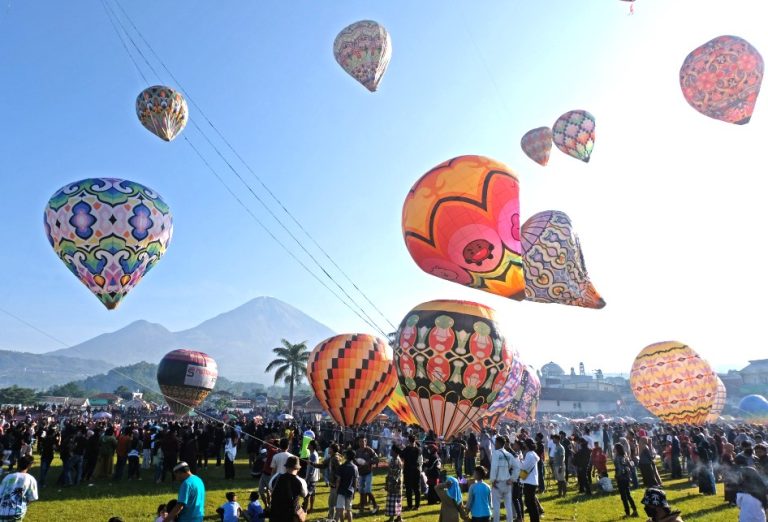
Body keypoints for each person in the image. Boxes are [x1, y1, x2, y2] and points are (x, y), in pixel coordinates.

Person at [270, 456, 308, 521]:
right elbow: (304, 494)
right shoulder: (301, 481)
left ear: (286, 467)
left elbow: (270, 487)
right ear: (298, 469)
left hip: (275, 514)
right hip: (290, 516)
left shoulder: (276, 477)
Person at [0, 455, 37, 521]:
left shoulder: (7, 477)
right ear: (29, 465)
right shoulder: (30, 479)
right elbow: (33, 498)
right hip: (17, 512)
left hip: (2, 512)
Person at [734, 454, 768, 522]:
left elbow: (739, 504)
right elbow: (766, 506)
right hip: (760, 519)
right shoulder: (762, 492)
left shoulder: (741, 491)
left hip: (745, 519)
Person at [490, 436, 514, 522]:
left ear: (498, 443)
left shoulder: (495, 453)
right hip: (507, 482)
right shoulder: (508, 454)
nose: (495, 444)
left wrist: (493, 480)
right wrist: (512, 479)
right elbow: (516, 467)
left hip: (498, 482)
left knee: (496, 505)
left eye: (495, 443)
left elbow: (494, 468)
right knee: (508, 505)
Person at [355, 436, 379, 515]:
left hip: (368, 473)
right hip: (360, 473)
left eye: (363, 441)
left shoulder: (369, 450)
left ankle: (375, 505)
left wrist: (368, 462)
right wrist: (357, 465)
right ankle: (362, 508)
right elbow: (355, 461)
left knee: (367, 490)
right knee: (361, 491)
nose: (361, 443)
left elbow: (376, 459)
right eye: (360, 442)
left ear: (366, 442)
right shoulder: (357, 451)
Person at [614, 443, 639, 518]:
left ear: (617, 449)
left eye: (614, 448)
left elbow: (619, 469)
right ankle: (635, 511)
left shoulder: (617, 458)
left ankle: (627, 513)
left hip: (621, 478)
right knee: (628, 495)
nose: (613, 449)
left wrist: (617, 476)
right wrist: (628, 475)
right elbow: (631, 466)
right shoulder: (625, 456)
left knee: (623, 497)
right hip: (627, 478)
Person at [335, 449, 359, 522]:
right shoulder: (355, 467)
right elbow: (355, 482)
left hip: (341, 491)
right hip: (350, 491)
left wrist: (336, 490)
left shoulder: (342, 466)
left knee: (341, 510)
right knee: (349, 510)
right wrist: (354, 492)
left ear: (347, 456)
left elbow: (338, 480)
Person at [522, 439, 541, 522]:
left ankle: (534, 519)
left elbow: (524, 467)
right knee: (531, 502)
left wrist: (519, 461)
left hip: (529, 481)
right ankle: (534, 519)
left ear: (527, 445)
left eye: (525, 444)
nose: (524, 445)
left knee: (530, 502)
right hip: (532, 480)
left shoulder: (529, 454)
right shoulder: (533, 454)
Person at [401, 435, 422, 511]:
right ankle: (417, 505)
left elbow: (401, 456)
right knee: (416, 489)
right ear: (415, 440)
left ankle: (409, 506)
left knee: (408, 489)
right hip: (416, 470)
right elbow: (420, 460)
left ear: (409, 441)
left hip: (408, 470)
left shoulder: (407, 449)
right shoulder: (418, 449)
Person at [385, 445, 403, 522]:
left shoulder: (397, 461)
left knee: (394, 501)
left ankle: (393, 518)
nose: (390, 451)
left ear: (395, 452)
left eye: (392, 450)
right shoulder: (393, 459)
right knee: (396, 501)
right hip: (393, 483)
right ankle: (398, 518)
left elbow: (396, 475)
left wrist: (391, 484)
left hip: (395, 484)